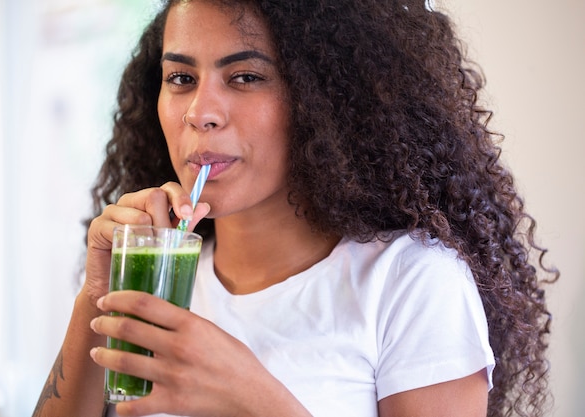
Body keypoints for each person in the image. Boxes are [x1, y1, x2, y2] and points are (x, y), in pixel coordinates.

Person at [32, 0, 558, 416]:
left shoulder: (411, 282)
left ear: (323, 98)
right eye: (181, 78)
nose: (201, 112)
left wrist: (255, 399)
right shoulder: (156, 277)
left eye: (245, 77)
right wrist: (96, 296)